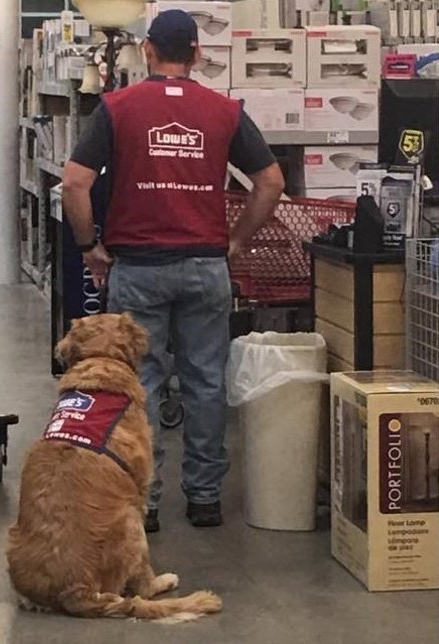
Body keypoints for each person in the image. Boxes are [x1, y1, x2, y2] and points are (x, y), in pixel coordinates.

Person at [61, 9, 284, 532]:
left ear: (149, 52)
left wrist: (89, 246)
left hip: (138, 268)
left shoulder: (117, 108)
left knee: (141, 382)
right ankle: (205, 498)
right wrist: (236, 240)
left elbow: (74, 183)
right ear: (198, 55)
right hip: (206, 267)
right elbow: (271, 181)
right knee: (206, 382)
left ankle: (146, 499)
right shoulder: (226, 111)